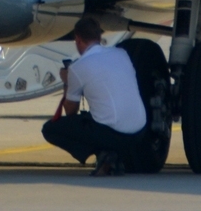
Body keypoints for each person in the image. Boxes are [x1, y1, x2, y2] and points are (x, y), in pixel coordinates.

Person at [41, 16, 148, 175]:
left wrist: (67, 82)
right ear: (99, 37)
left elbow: (71, 112)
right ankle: (113, 154)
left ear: (78, 40)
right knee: (100, 114)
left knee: (50, 129)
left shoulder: (78, 67)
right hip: (139, 131)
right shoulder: (121, 53)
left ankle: (104, 154)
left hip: (114, 133)